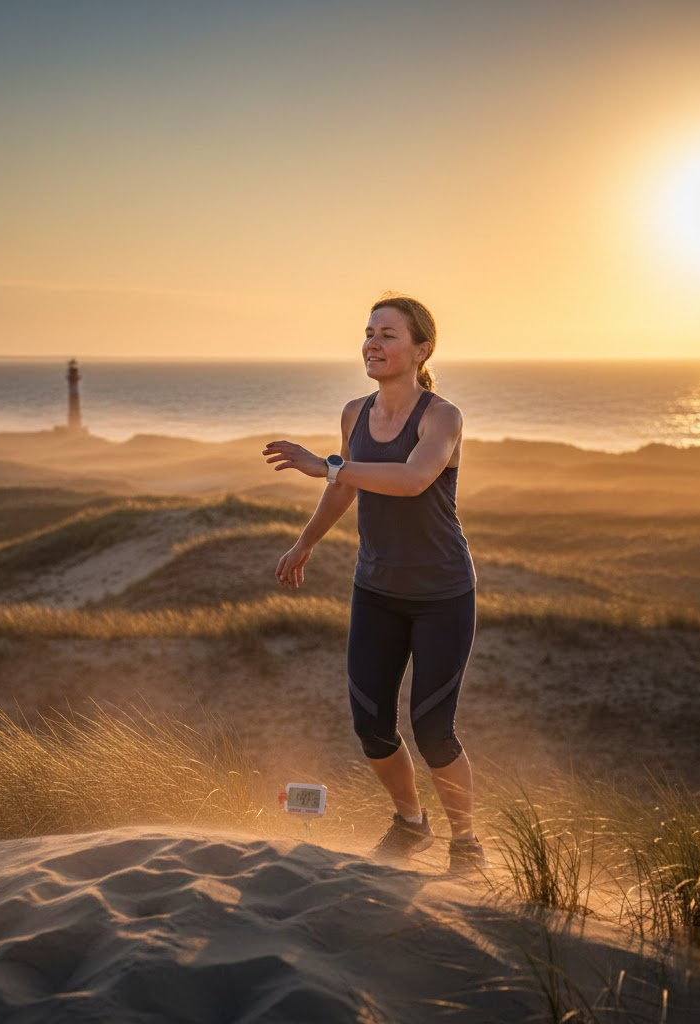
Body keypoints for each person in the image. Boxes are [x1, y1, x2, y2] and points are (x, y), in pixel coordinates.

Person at [262, 294, 485, 872]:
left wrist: (327, 464)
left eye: (388, 334)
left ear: (421, 349)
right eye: (368, 332)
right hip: (376, 589)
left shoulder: (442, 417)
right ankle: (411, 825)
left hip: (441, 593)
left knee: (434, 729)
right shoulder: (354, 411)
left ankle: (467, 844)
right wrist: (306, 541)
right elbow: (344, 487)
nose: (373, 343)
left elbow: (413, 479)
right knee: (370, 724)